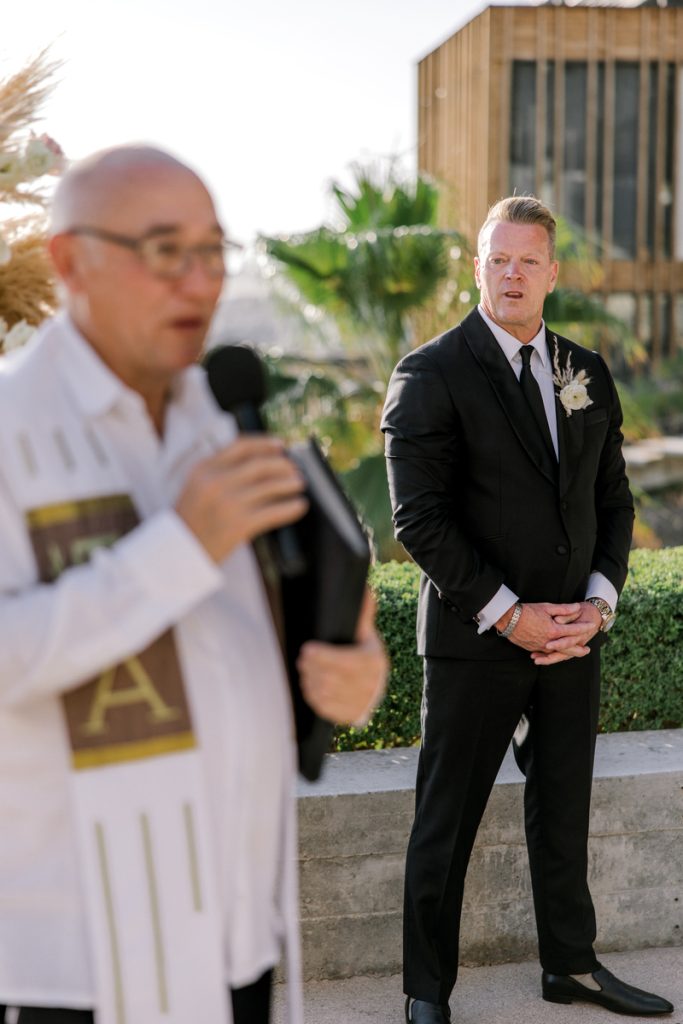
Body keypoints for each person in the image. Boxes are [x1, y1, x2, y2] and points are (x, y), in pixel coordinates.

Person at [0, 145, 387, 1024]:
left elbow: (237, 643)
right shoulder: (8, 427)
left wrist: (349, 668)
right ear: (69, 262)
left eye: (215, 251)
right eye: (166, 250)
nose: (200, 281)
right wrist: (181, 543)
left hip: (240, 941)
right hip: (76, 974)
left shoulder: (218, 419)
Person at [381, 196, 674, 1023]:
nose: (511, 275)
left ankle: (570, 967)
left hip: (572, 639)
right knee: (445, 821)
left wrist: (598, 603)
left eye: (526, 261)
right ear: (475, 267)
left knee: (564, 809)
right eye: (496, 259)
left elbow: (611, 502)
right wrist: (509, 614)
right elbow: (419, 522)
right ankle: (426, 991)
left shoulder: (585, 369)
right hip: (478, 639)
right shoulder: (429, 372)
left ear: (552, 273)